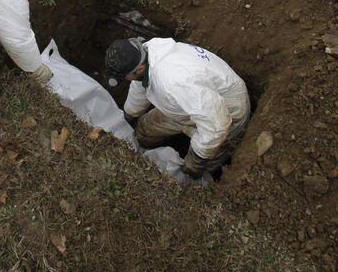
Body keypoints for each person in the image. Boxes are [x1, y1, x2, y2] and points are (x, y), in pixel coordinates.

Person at [105, 37, 251, 178]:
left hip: (227, 110)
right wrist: (129, 115)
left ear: (139, 69)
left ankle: (202, 176)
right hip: (196, 100)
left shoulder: (174, 80)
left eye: (125, 77)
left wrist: (196, 160)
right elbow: (140, 86)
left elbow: (217, 125)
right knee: (145, 129)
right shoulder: (146, 56)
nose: (125, 80)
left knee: (207, 161)